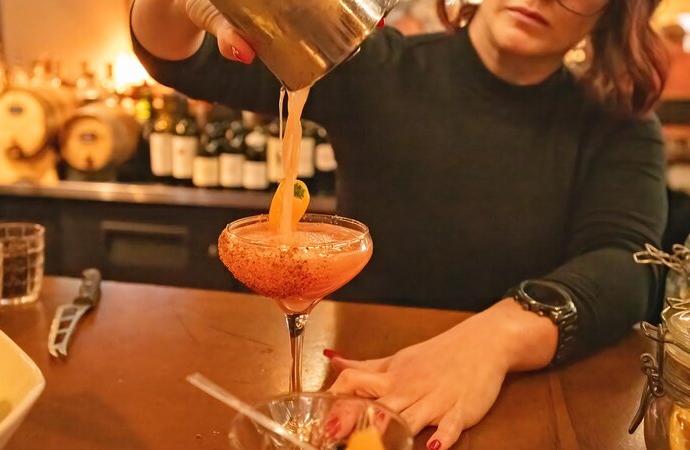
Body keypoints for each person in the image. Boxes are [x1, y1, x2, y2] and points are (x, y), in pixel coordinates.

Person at [131, 0, 668, 448]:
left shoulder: (617, 120)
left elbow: (628, 264)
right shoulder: (378, 67)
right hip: (359, 394)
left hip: (525, 401)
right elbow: (179, 57)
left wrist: (494, 340)